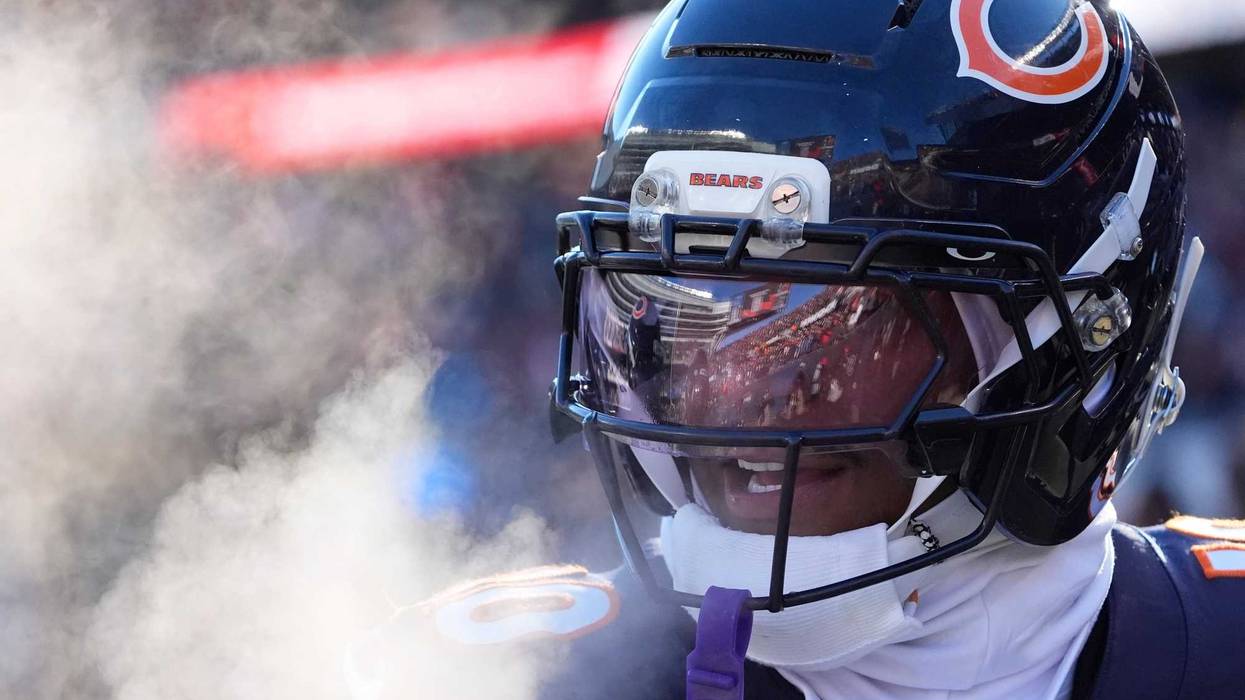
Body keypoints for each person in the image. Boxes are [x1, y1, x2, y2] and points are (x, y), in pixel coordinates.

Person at [362, 1, 1244, 698]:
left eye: (837, 317)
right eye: (677, 307)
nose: (738, 382)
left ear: (1082, 340)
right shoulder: (499, 681)